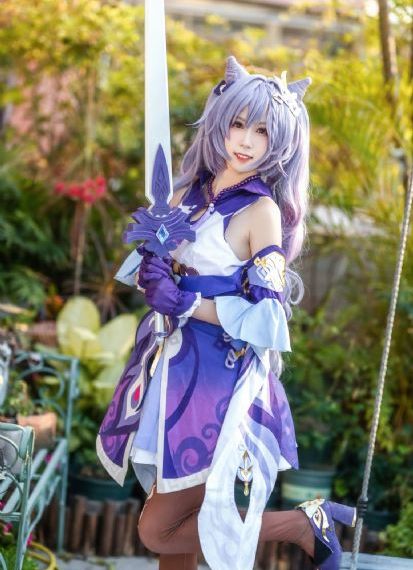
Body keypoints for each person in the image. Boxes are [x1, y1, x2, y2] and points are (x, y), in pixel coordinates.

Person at [96, 56, 358, 570]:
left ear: (281, 143)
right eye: (238, 124)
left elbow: (268, 317)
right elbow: (151, 265)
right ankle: (305, 524)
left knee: (157, 529)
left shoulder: (261, 212)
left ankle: (303, 525)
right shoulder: (185, 196)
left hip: (216, 375)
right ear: (220, 122)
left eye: (262, 132)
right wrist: (154, 270)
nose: (246, 141)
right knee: (176, 515)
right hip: (166, 362)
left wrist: (190, 301)